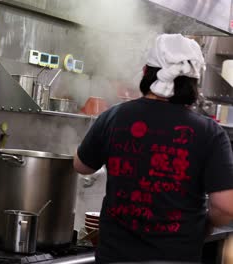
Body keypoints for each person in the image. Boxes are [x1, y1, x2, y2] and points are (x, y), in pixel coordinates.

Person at [74, 34, 233, 263]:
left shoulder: (115, 116)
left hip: (114, 256)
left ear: (146, 70)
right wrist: (205, 223)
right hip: (175, 256)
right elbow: (225, 207)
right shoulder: (209, 132)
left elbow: (81, 166)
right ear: (193, 83)